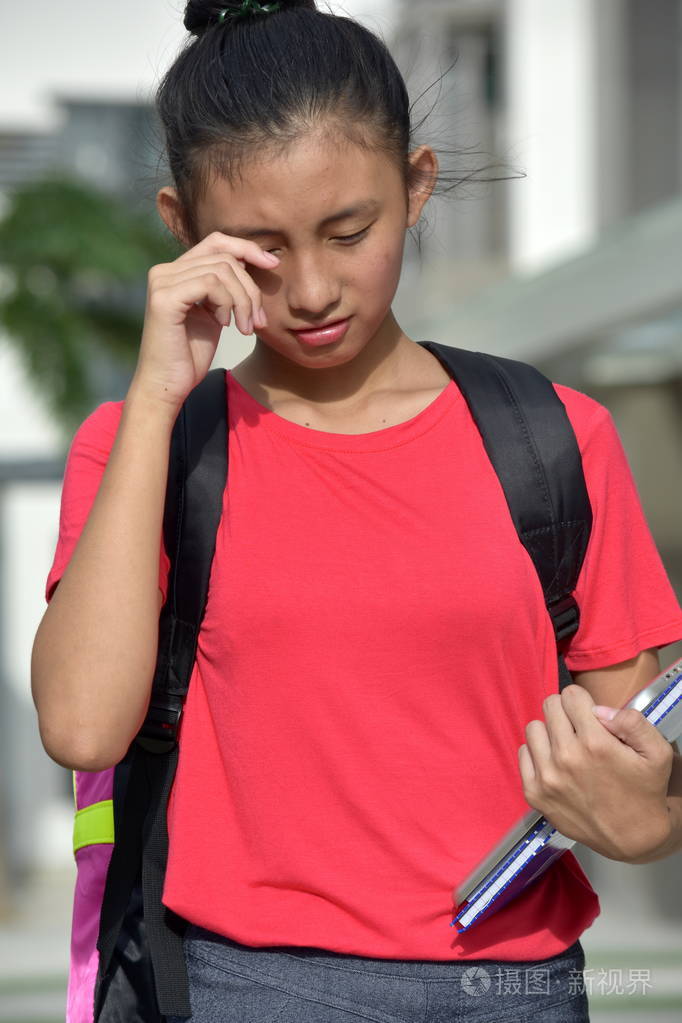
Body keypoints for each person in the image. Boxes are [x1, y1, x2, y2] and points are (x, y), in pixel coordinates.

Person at [31, 2, 682, 1021]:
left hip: (517, 983)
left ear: (415, 187)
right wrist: (157, 397)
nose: (314, 289)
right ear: (184, 231)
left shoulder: (554, 436)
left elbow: (636, 760)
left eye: (350, 231)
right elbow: (79, 726)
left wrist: (646, 818)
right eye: (259, 247)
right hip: (254, 984)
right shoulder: (141, 450)